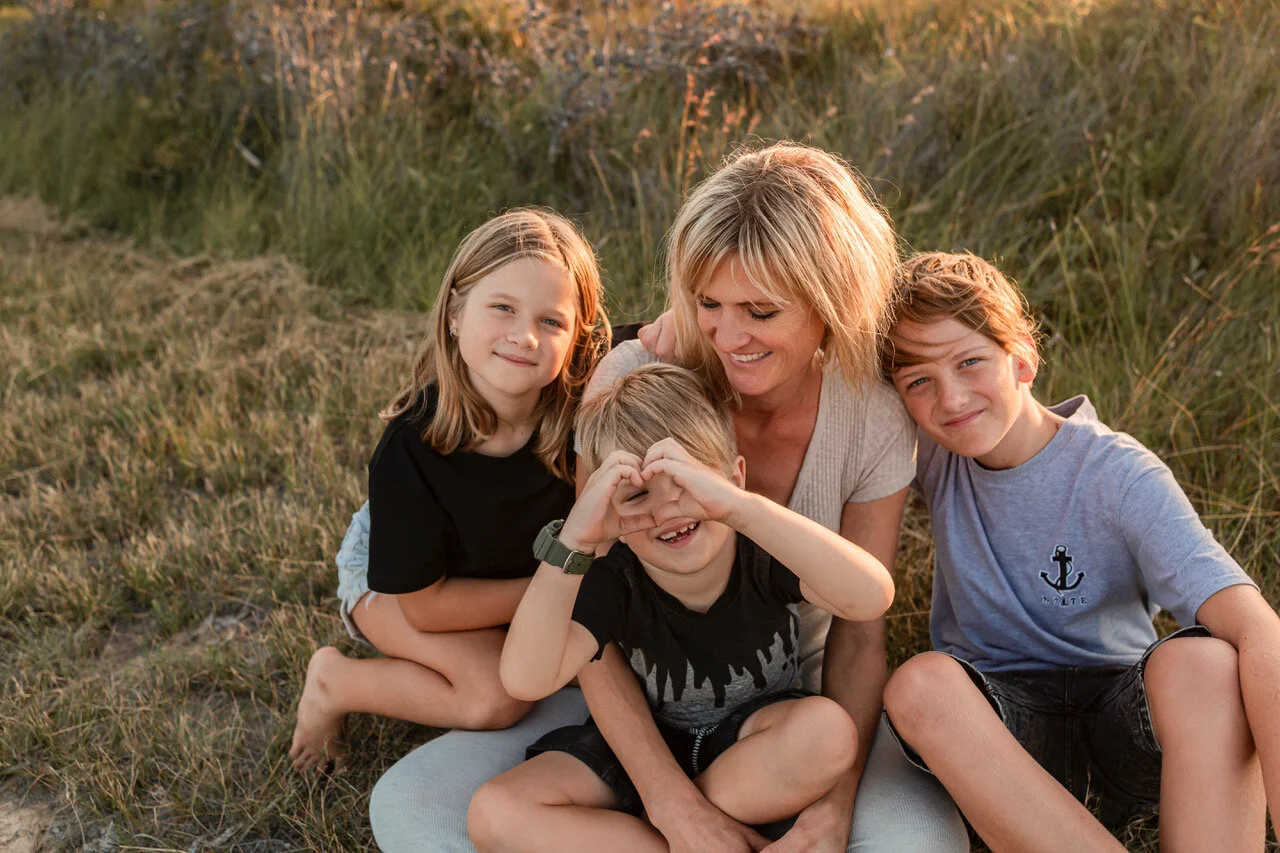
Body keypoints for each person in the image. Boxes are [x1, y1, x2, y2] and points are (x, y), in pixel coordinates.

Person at [368, 143, 967, 853]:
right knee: (412, 812)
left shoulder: (869, 412)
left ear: (829, 301)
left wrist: (832, 811)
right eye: (708, 302)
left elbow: (862, 628)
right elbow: (592, 626)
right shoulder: (640, 382)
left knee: (920, 845)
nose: (729, 336)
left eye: (761, 311)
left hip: (782, 714)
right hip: (632, 697)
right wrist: (675, 809)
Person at [878, 251, 1280, 852]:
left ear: (1023, 358)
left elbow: (1255, 627)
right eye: (919, 383)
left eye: (970, 362)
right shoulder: (932, 454)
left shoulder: (1117, 475)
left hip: (1123, 724)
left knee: (1209, 666)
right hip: (1004, 743)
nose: (951, 398)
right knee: (919, 686)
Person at [468, 364, 896, 850]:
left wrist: (742, 508)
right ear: (609, 510)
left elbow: (871, 597)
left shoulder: (763, 547)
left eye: (689, 482)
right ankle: (682, 837)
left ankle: (683, 828)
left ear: (733, 477)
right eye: (637, 495)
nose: (667, 508)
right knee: (495, 812)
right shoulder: (614, 577)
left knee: (827, 733)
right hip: (645, 750)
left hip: (754, 741)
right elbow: (526, 679)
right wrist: (575, 542)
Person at [288, 208, 610, 772]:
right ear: (456, 312)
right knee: (498, 694)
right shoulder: (410, 448)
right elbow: (427, 608)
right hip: (405, 587)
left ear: (579, 339)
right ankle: (335, 683)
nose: (524, 336)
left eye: (551, 321)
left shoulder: (585, 407)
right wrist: (558, 584)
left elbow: (668, 340)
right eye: (503, 307)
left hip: (517, 573)